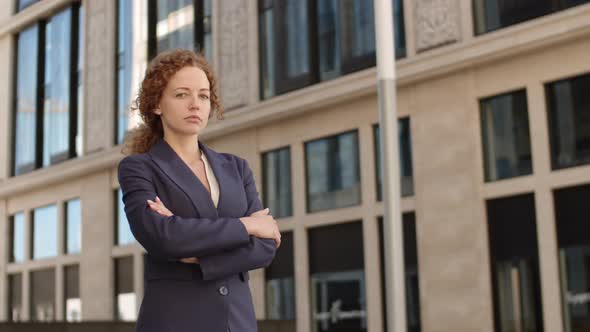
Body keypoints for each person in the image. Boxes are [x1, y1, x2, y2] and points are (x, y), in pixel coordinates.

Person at [117, 48, 280, 332]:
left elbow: (265, 248)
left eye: (203, 96)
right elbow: (164, 238)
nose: (195, 104)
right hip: (174, 322)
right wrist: (247, 225)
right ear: (157, 104)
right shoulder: (139, 168)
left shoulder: (237, 168)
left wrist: (197, 255)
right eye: (182, 95)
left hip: (237, 323)